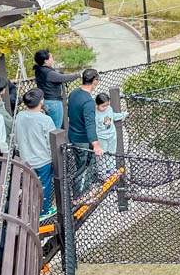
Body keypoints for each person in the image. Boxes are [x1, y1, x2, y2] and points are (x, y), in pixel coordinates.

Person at [16, 89, 58, 219]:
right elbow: (51, 142)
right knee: (44, 186)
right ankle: (42, 212)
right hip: (43, 160)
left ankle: (27, 210)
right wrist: (53, 158)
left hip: (25, 159)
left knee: (29, 186)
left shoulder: (19, 116)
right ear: (41, 101)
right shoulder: (45, 120)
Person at [67, 69, 105, 202]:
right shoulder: (88, 102)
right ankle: (78, 196)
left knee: (81, 164)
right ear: (95, 82)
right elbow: (90, 124)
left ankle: (87, 189)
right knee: (84, 167)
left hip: (73, 134)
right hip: (82, 139)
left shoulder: (73, 93)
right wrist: (96, 145)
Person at [34, 49, 80, 129]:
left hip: (45, 101)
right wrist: (78, 75)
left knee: (50, 123)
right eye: (51, 57)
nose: (52, 59)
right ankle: (54, 141)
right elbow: (64, 78)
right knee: (56, 127)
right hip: (54, 102)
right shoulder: (49, 73)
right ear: (46, 61)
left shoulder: (39, 70)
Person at [94, 93, 126, 179]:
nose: (105, 108)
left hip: (112, 135)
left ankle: (111, 169)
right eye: (103, 106)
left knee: (112, 152)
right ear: (97, 105)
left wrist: (123, 115)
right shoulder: (95, 115)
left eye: (107, 105)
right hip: (101, 137)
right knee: (101, 154)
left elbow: (113, 116)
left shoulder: (109, 109)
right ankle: (102, 172)